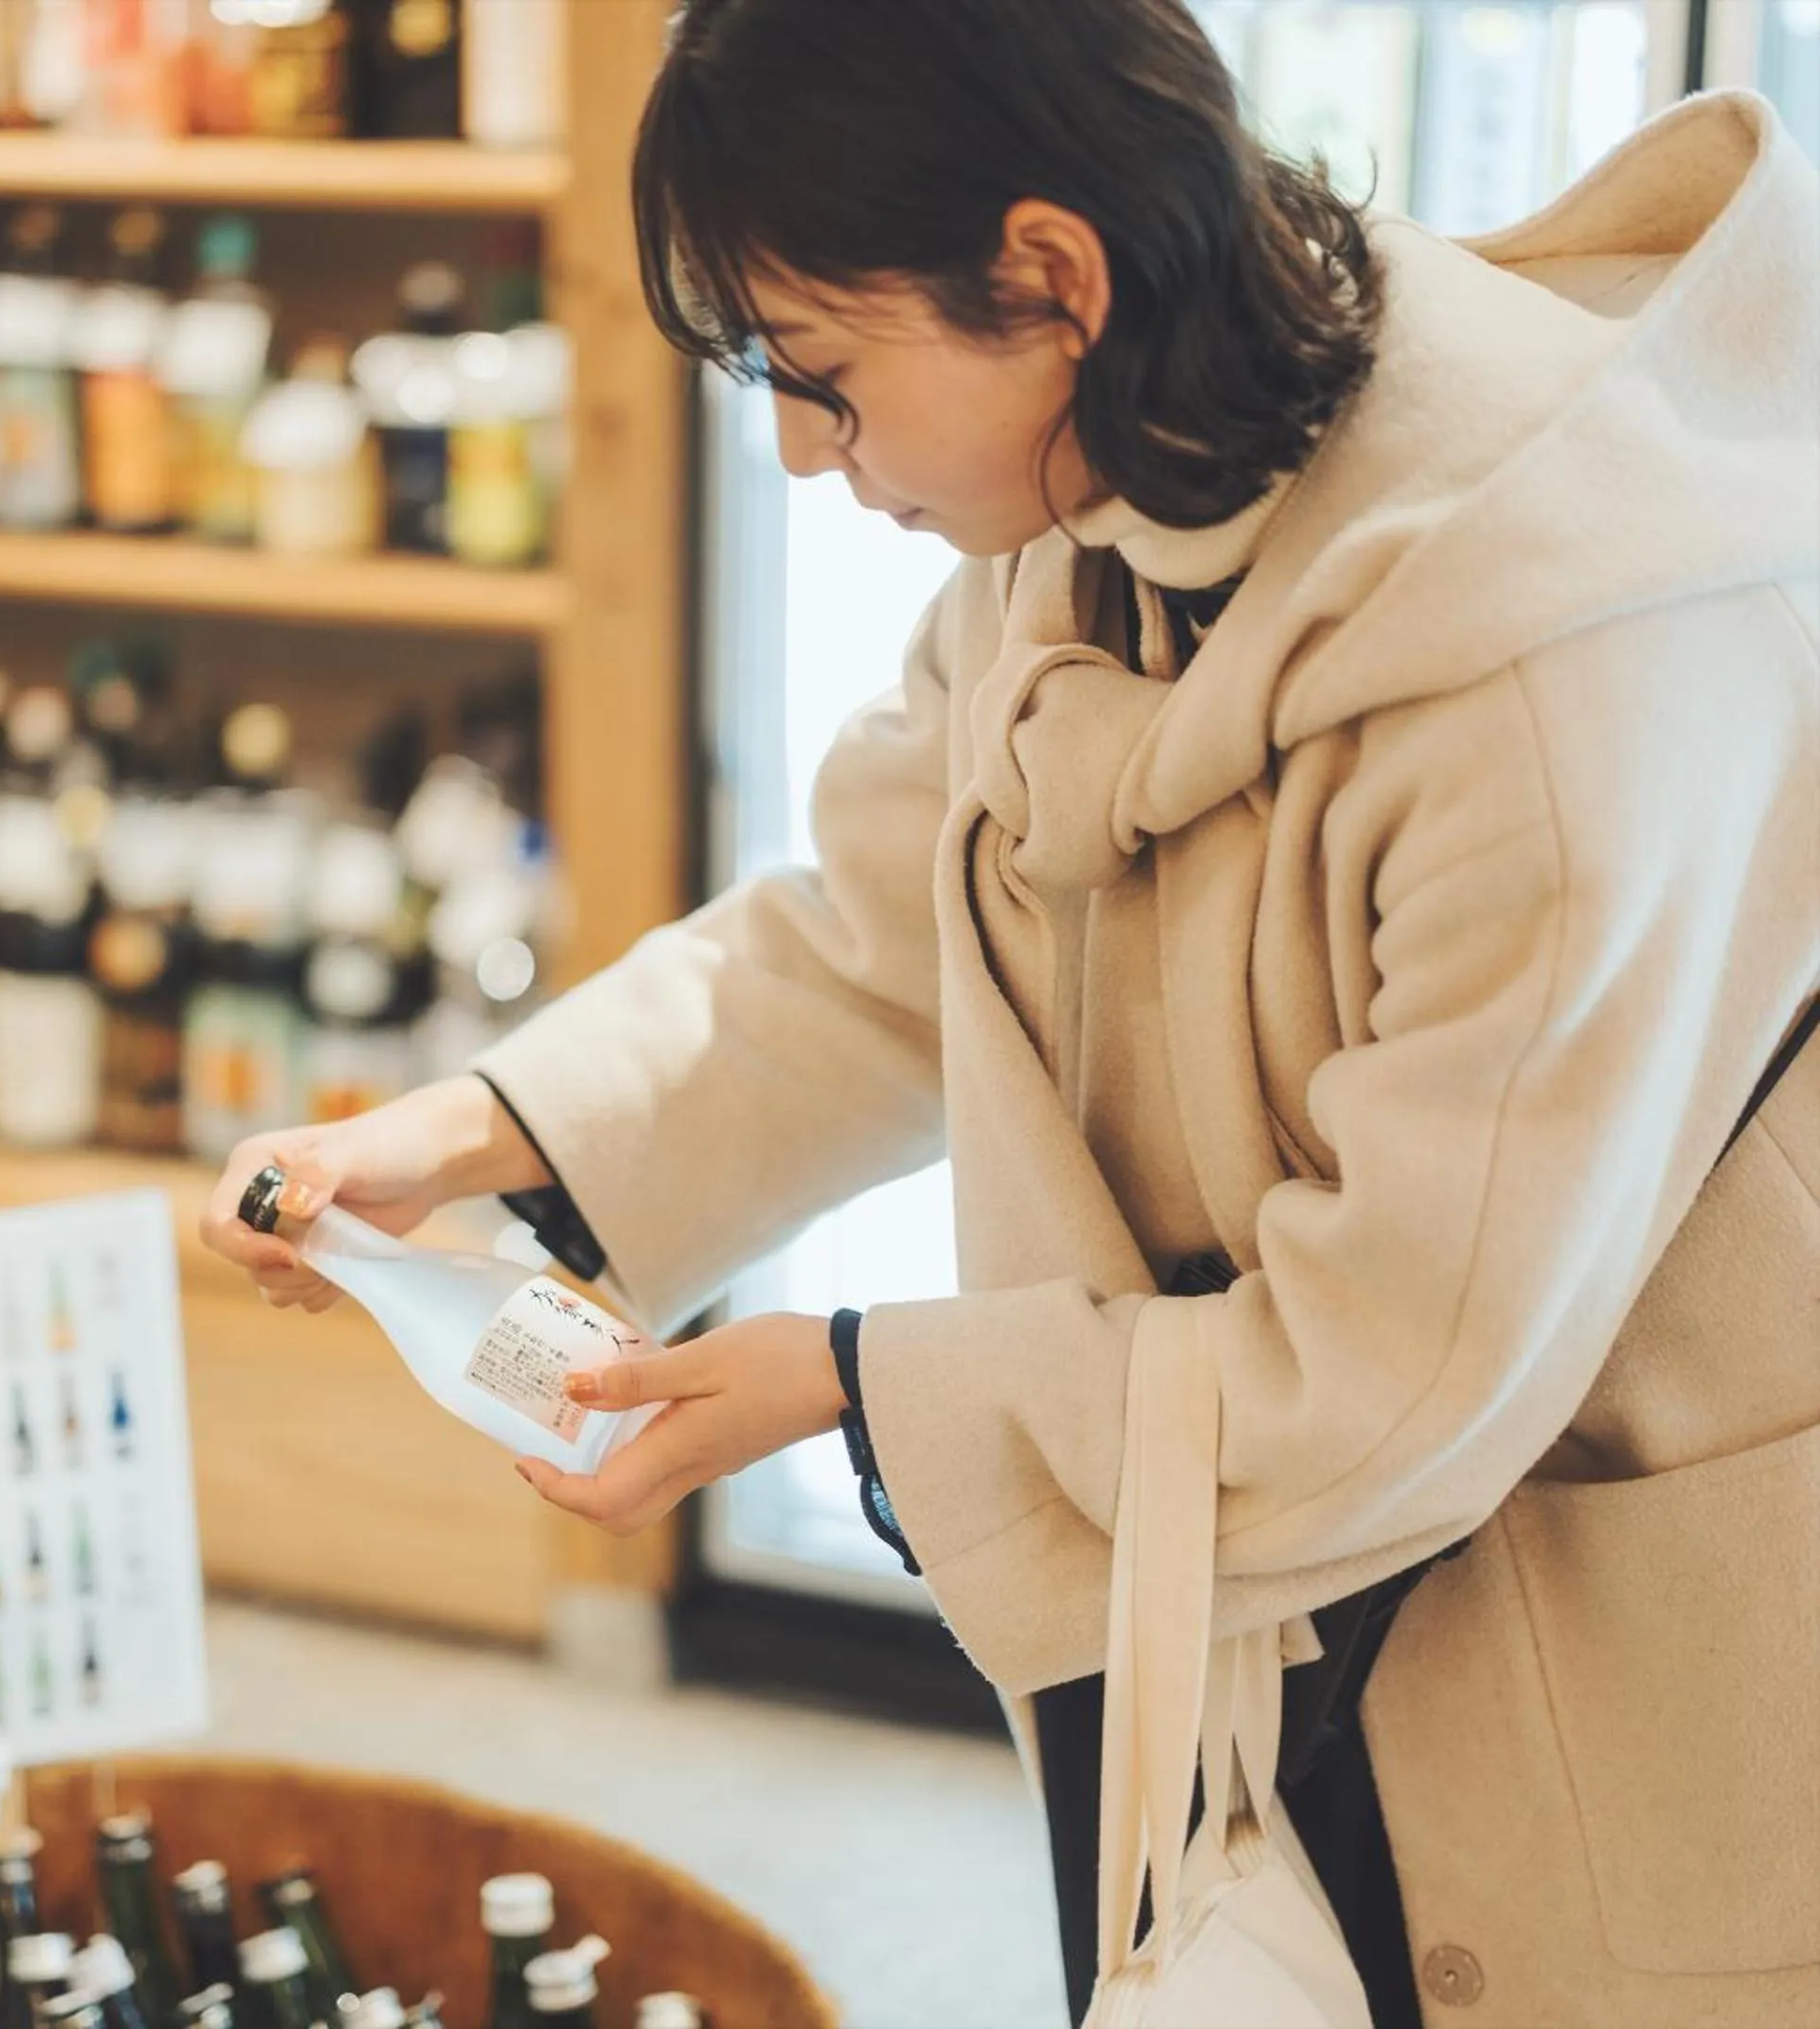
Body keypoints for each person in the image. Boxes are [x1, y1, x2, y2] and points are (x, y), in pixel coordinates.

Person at [202, 2, 1820, 2021]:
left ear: (1052, 275)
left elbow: (1396, 1368)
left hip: (1581, 1626)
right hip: (1243, 1589)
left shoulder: (1563, 670)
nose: (799, 449)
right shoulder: (1100, 511)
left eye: (826, 372)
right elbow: (883, 935)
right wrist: (463, 1136)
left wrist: (855, 1390)